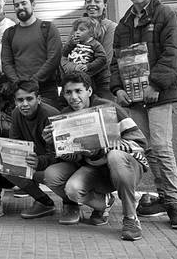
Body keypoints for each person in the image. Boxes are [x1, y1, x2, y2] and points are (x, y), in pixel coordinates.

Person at [109, 0, 177, 230]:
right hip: (134, 97)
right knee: (146, 148)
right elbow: (116, 60)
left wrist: (156, 84)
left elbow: (174, 53)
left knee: (160, 145)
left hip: (160, 93)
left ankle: (175, 206)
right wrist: (117, 89)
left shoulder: (166, 14)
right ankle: (164, 198)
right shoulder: (124, 23)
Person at [43, 72, 148, 241]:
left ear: (89, 91)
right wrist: (53, 143)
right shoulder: (64, 117)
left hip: (125, 167)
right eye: (68, 92)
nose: (74, 97)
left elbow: (141, 143)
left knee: (114, 156)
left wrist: (113, 146)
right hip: (95, 169)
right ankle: (103, 202)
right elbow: (71, 158)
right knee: (67, 185)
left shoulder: (110, 109)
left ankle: (130, 218)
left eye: (78, 91)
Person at [8, 79, 75, 220]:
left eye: (29, 99)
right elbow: (16, 143)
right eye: (20, 100)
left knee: (50, 174)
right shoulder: (15, 114)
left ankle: (71, 203)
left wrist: (38, 161)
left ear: (38, 99)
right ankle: (44, 202)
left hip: (60, 162)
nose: (24, 104)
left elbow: (60, 153)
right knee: (5, 167)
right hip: (35, 159)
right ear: (15, 101)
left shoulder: (51, 115)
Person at [1, 0, 63, 105]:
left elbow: (54, 59)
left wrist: (34, 80)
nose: (20, 7)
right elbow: (6, 62)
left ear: (33, 4)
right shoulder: (9, 33)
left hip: (46, 90)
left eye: (24, 3)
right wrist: (17, 83)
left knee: (49, 121)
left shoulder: (48, 28)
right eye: (16, 5)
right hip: (20, 91)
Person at [61, 17, 111, 99]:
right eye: (76, 30)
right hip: (72, 76)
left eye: (81, 30)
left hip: (88, 77)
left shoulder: (95, 44)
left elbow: (102, 58)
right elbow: (64, 54)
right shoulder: (74, 44)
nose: (77, 32)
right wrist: (70, 44)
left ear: (91, 33)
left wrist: (88, 66)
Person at [84, 0, 117, 66]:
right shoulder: (78, 26)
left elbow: (106, 61)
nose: (92, 4)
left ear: (104, 6)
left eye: (97, 1)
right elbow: (66, 55)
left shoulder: (111, 27)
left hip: (100, 76)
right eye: (88, 1)